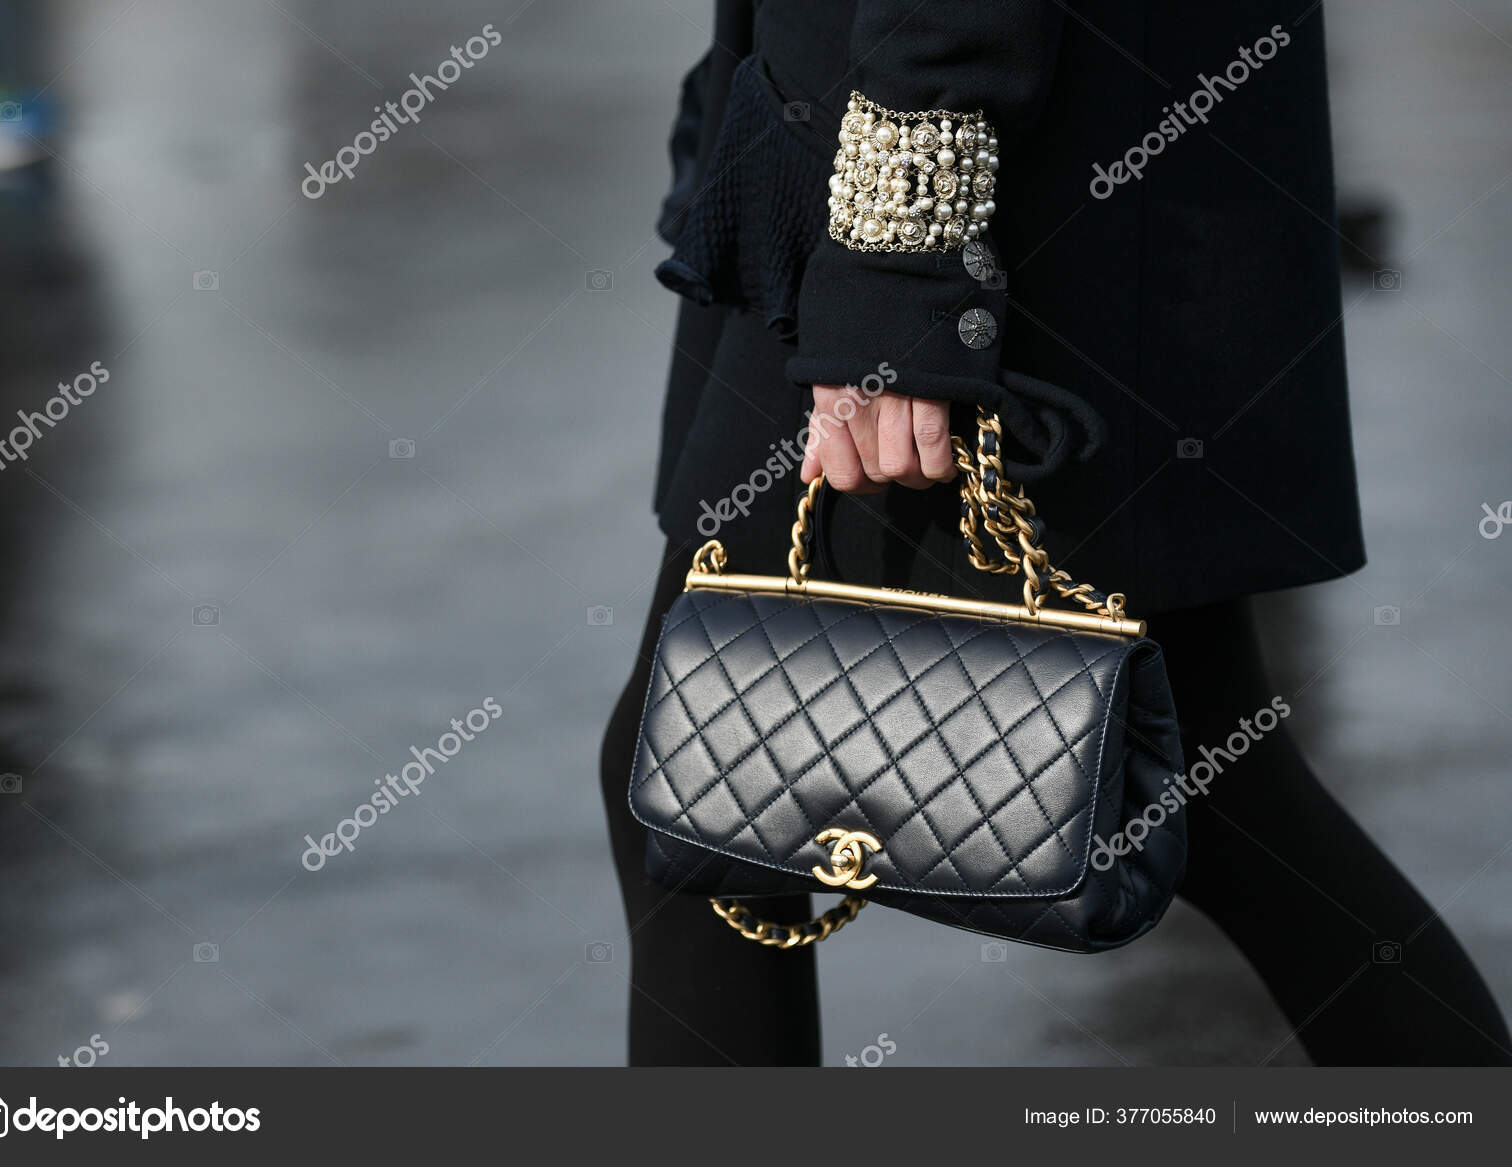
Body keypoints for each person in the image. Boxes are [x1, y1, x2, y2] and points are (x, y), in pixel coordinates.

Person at [599, 0, 1511, 1066]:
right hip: (1003, 146)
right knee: (1214, 791)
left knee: (703, 781)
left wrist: (896, 273)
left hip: (979, 181)